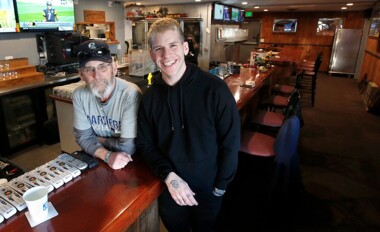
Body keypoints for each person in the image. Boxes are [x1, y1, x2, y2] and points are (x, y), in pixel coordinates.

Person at [136, 18, 240, 231]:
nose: (166, 55)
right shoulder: (149, 98)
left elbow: (230, 143)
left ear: (185, 48)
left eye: (173, 45)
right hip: (169, 188)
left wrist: (220, 186)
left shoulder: (215, 89)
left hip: (209, 189)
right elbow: (146, 145)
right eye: (159, 48)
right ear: (152, 55)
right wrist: (169, 176)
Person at [73, 40, 142, 170]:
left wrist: (96, 139)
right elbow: (82, 137)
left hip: (130, 163)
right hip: (99, 160)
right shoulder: (79, 95)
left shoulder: (130, 94)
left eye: (103, 67)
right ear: (81, 75)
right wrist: (106, 155)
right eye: (89, 70)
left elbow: (128, 147)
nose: (97, 76)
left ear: (114, 68)